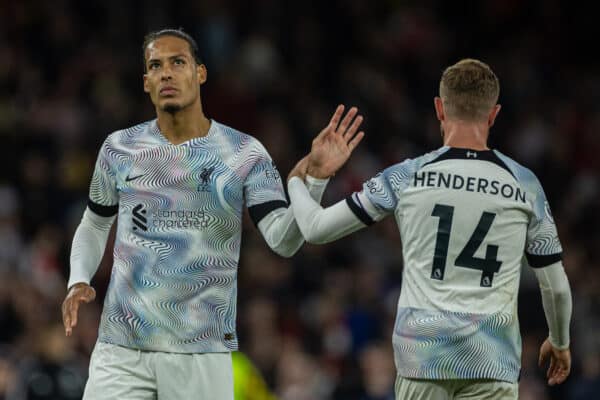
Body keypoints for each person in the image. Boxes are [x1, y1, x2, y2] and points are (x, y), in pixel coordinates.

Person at [60, 28, 363, 399]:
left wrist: (313, 180)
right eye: (156, 66)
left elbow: (283, 241)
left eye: (178, 62)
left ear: (200, 73)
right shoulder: (119, 148)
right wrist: (78, 278)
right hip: (122, 348)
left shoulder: (244, 153)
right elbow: (94, 222)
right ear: (146, 82)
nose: (166, 73)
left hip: (201, 351)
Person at [287, 58, 572, 399]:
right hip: (491, 361)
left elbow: (315, 229)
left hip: (423, 358)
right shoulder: (525, 184)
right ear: (493, 114)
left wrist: (299, 181)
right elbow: (555, 287)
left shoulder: (406, 176)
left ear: (439, 108)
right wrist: (560, 341)